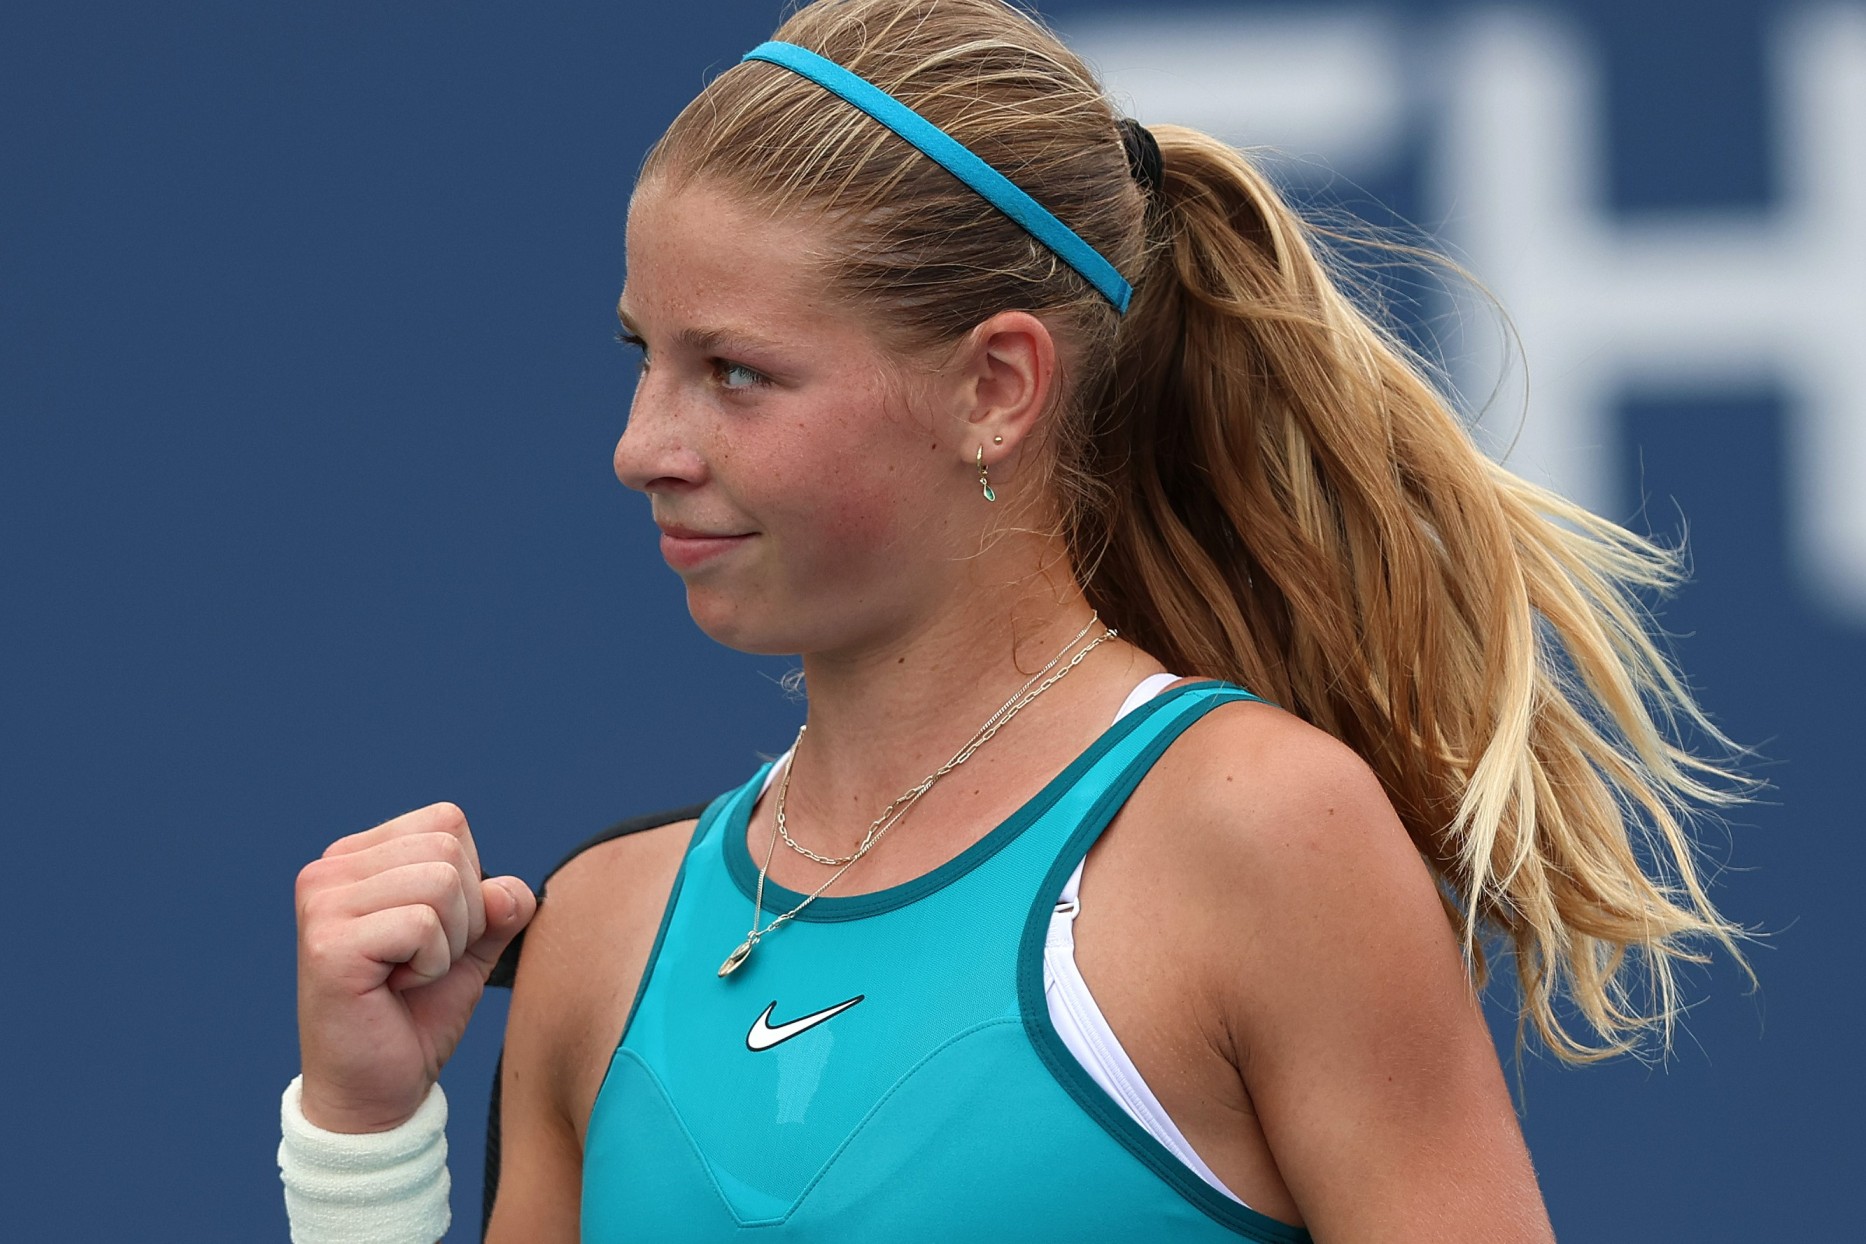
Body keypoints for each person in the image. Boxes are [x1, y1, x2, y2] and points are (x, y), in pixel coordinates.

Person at [281, 1, 1748, 1240]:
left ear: (995, 388)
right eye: (642, 357)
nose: (643, 443)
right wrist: (365, 1133)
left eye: (733, 372)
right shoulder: (601, 934)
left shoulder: (1258, 836)